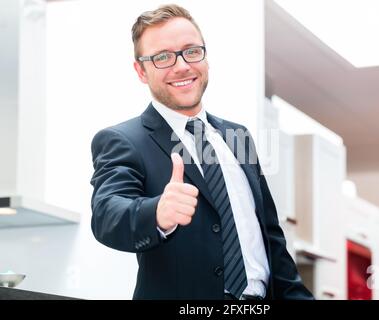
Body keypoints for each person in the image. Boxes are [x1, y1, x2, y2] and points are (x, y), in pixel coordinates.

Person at [90, 4, 313, 300]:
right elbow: (107, 215)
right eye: (163, 57)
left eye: (191, 51)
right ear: (141, 71)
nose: (181, 66)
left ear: (205, 57)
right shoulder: (124, 140)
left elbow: (270, 238)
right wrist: (156, 212)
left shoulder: (238, 136)